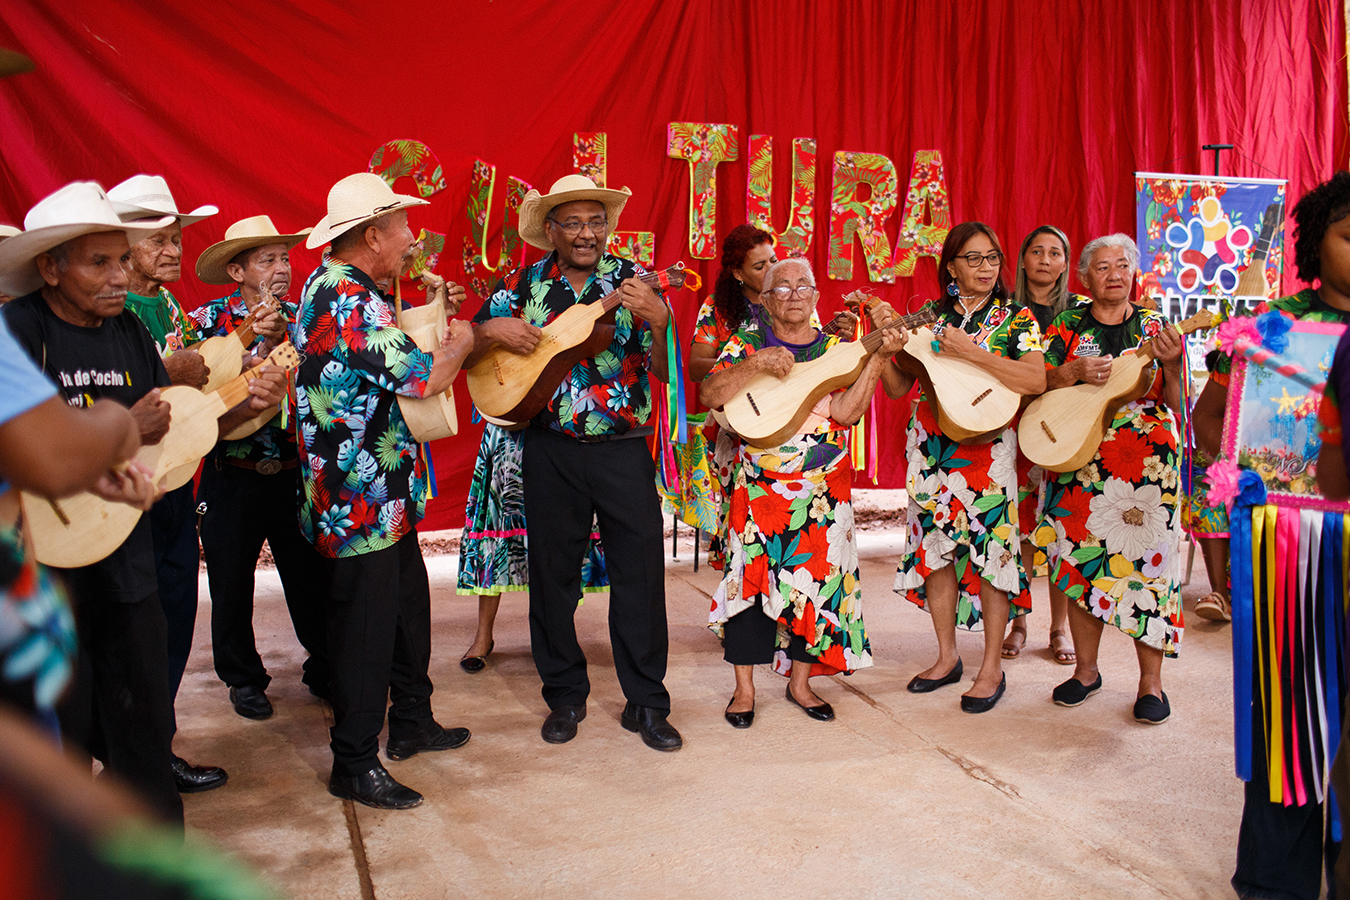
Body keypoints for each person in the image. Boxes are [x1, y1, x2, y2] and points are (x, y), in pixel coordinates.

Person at [0, 181, 286, 825]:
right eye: (98, 262)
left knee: (144, 726)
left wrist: (244, 403)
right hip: (45, 571)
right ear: (50, 267)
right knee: (62, 736)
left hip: (126, 560)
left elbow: (172, 431)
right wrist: (119, 429)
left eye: (122, 259)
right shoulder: (18, 330)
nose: (117, 276)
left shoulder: (128, 329)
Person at [465, 174, 681, 751]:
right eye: (575, 223)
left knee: (640, 576)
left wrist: (662, 322)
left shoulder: (634, 280)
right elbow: (470, 348)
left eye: (597, 221)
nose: (587, 233)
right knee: (552, 578)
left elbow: (666, 373)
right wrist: (489, 330)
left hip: (623, 450)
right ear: (552, 229)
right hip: (550, 448)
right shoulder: (521, 284)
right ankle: (563, 696)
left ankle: (647, 702)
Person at [294, 172, 474, 810]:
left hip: (380, 494)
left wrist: (434, 310)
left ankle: (413, 720)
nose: (412, 238)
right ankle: (354, 761)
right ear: (372, 235)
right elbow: (424, 377)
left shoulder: (338, 285)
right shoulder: (348, 296)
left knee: (404, 612)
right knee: (366, 632)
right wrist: (466, 339)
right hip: (360, 500)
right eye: (403, 227)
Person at [1196, 172, 1350, 900]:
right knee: (1290, 720)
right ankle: (1275, 883)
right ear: (1317, 241)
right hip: (1292, 555)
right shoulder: (1271, 328)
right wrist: (1244, 467)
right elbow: (1209, 421)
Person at [700, 258, 902, 726]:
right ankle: (744, 690)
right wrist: (755, 362)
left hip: (822, 487)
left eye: (803, 286)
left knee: (818, 585)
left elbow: (847, 413)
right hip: (760, 485)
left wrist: (877, 360)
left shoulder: (836, 349)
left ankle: (801, 683)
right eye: (781, 287)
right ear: (765, 299)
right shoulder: (748, 342)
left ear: (815, 296)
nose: (793, 294)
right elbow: (711, 394)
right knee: (750, 583)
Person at [108, 174, 260, 794]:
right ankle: (127, 762)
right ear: (122, 245)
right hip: (123, 492)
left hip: (174, 484)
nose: (174, 251)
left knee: (173, 618)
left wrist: (242, 378)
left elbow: (191, 393)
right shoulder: (105, 309)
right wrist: (162, 372)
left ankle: (155, 748)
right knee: (131, 628)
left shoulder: (169, 307)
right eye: (160, 240)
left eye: (177, 239)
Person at [887, 222, 1046, 713]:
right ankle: (946, 657)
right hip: (932, 447)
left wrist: (972, 352)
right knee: (935, 550)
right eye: (973, 258)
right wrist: (889, 349)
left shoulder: (1017, 317)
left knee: (993, 554)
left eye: (992, 257)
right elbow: (897, 387)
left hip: (989, 450)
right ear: (951, 268)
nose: (985, 267)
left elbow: (1035, 380)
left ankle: (991, 667)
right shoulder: (929, 317)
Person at [1038, 234, 1184, 725]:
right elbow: (1038, 383)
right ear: (1084, 277)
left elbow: (1178, 402)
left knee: (1149, 568)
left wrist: (1173, 364)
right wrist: (1071, 372)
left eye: (1123, 265)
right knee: (1080, 562)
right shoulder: (1066, 325)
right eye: (1102, 267)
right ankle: (1086, 672)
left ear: (1133, 273)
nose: (1114, 274)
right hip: (1077, 455)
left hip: (1146, 465)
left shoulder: (1155, 326)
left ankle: (1151, 683)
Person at [190, 215, 332, 716]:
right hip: (231, 475)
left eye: (285, 258)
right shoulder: (207, 322)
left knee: (311, 578)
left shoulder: (307, 316)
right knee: (230, 582)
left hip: (294, 472)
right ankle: (242, 677)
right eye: (267, 259)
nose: (281, 268)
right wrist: (249, 347)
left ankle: (325, 665)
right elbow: (192, 395)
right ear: (237, 272)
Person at [1004, 225, 1086, 664]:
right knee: (1020, 528)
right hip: (1014, 424)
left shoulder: (1081, 312)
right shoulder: (1005, 311)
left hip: (1066, 426)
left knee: (1060, 528)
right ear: (1022, 259)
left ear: (1066, 263)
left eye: (1056, 253)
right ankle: (1018, 622)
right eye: (1037, 251)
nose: (1045, 260)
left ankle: (1059, 628)